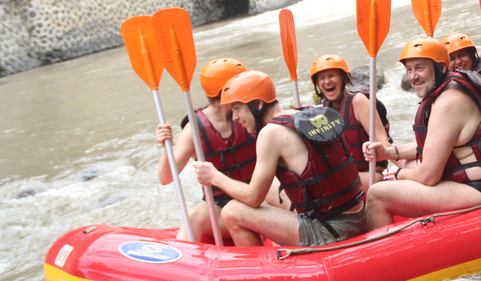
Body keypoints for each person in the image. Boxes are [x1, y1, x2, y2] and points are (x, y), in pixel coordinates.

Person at [363, 37, 481, 230]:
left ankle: (384, 255)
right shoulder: (452, 88)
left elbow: (429, 176)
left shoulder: (448, 101)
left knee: (376, 194)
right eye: (409, 70)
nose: (413, 77)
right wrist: (389, 153)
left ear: (440, 68)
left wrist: (398, 174)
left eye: (420, 68)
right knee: (412, 163)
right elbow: (437, 143)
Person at [192, 70, 367, 247]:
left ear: (258, 104)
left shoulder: (271, 133)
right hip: (358, 215)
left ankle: (260, 271)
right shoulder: (306, 112)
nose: (235, 118)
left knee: (232, 211)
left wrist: (214, 176)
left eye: (237, 109)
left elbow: (253, 198)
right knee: (270, 190)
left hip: (331, 230)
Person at [155, 58, 255, 242]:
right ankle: (181, 265)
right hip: (223, 210)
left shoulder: (253, 112)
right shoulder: (194, 128)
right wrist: (165, 146)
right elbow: (166, 177)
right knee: (193, 216)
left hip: (260, 201)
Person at [311, 54, 396, 189]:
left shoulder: (358, 101)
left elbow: (383, 142)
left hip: (371, 176)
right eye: (322, 78)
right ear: (317, 84)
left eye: (332, 76)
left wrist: (406, 170)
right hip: (346, 176)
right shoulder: (323, 111)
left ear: (345, 79)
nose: (327, 81)